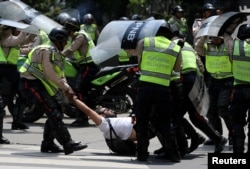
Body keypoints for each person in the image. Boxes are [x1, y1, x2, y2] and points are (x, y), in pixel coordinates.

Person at [18, 27, 88, 155]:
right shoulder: (46, 50)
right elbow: (49, 73)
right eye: (65, 41)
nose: (66, 44)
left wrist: (68, 89)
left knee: (57, 111)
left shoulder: (56, 53)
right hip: (30, 83)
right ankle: (68, 143)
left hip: (39, 84)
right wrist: (66, 88)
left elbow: (60, 74)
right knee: (52, 111)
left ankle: (48, 144)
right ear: (59, 40)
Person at [123, 21, 182, 162]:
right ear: (169, 34)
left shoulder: (146, 42)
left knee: (142, 120)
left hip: (145, 88)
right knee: (166, 122)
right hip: (163, 89)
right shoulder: (175, 47)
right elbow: (177, 69)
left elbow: (139, 62)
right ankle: (175, 155)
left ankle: (142, 155)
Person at [172, 30, 227, 153]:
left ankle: (215, 138)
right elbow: (200, 65)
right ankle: (199, 137)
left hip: (185, 78)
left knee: (188, 115)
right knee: (183, 115)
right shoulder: (188, 46)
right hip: (194, 78)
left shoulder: (171, 45)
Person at [195, 33, 234, 146]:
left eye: (216, 37)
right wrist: (204, 36)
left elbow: (232, 49)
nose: (214, 39)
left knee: (223, 109)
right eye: (212, 37)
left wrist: (225, 35)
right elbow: (197, 48)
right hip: (213, 81)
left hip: (227, 81)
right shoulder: (208, 46)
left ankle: (233, 134)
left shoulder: (227, 45)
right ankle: (217, 136)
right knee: (210, 110)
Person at [62, 17, 100, 127]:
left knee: (79, 90)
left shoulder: (80, 36)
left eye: (67, 30)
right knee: (83, 90)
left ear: (71, 29)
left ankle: (82, 118)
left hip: (89, 65)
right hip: (85, 65)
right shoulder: (76, 36)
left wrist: (58, 56)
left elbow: (71, 49)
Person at [0, 25, 31, 137]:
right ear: (10, 30)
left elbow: (24, 42)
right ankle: (16, 122)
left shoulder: (10, 39)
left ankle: (17, 121)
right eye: (16, 29)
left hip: (12, 70)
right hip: (5, 71)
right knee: (5, 98)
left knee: (20, 94)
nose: (18, 30)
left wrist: (32, 31)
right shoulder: (5, 38)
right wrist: (25, 28)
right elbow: (21, 39)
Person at [227, 24, 250, 153]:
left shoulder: (234, 46)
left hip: (239, 89)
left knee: (238, 122)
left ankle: (238, 152)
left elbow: (225, 36)